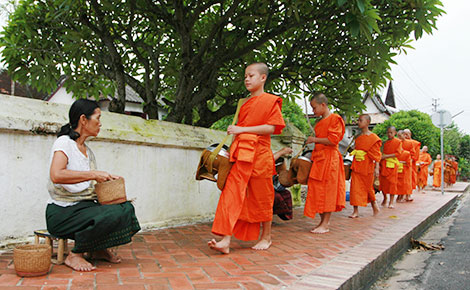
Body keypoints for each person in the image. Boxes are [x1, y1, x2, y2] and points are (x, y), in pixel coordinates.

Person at [47, 99, 141, 272]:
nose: (100, 124)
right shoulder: (64, 142)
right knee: (110, 214)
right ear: (83, 120)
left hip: (85, 209)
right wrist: (94, 174)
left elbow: (88, 185)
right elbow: (56, 175)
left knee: (125, 208)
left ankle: (97, 249)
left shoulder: (87, 151)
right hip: (63, 213)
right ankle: (75, 254)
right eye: (97, 118)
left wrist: (107, 179)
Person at [208, 62, 286, 254]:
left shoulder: (271, 101)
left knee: (262, 197)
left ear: (263, 78)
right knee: (231, 195)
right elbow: (238, 131)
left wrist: (243, 129)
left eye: (251, 76)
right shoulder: (244, 103)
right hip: (240, 155)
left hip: (259, 155)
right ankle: (226, 240)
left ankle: (266, 236)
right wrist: (231, 149)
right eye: (245, 77)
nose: (247, 79)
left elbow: (271, 128)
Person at [304, 93, 345, 233]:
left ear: (323, 105)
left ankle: (326, 223)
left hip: (330, 159)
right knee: (316, 189)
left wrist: (314, 140)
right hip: (319, 159)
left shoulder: (335, 119)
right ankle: (322, 222)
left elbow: (333, 140)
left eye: (314, 108)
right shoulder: (319, 123)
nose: (313, 111)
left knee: (328, 190)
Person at [348, 114, 382, 218]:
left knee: (368, 188)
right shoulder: (358, 137)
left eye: (360, 120)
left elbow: (376, 155)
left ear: (367, 122)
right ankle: (355, 211)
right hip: (357, 165)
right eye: (358, 120)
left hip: (367, 166)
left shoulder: (373, 138)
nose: (358, 122)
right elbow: (355, 149)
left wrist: (377, 168)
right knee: (354, 188)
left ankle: (374, 206)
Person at [379, 126, 403, 209]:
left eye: (391, 133)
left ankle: (391, 201)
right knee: (383, 183)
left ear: (395, 133)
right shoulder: (384, 143)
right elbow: (380, 153)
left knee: (392, 183)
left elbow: (398, 154)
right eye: (388, 133)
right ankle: (385, 197)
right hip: (384, 165)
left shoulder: (398, 142)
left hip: (392, 165)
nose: (389, 134)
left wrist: (385, 156)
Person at [272, 147, 294, 220]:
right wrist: (282, 152)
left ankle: (285, 215)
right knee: (276, 197)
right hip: (258, 184)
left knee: (286, 193)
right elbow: (265, 161)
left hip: (271, 184)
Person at [403, 129, 421, 193]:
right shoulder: (400, 142)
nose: (405, 136)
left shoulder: (415, 143)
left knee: (409, 179)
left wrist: (408, 160)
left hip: (410, 164)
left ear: (410, 134)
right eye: (404, 134)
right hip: (400, 164)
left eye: (407, 134)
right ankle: (402, 195)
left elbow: (416, 156)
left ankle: (408, 194)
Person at [397, 130, 412, 202]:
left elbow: (413, 154)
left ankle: (406, 195)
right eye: (398, 136)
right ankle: (399, 195)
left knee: (406, 182)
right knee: (398, 182)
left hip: (406, 165)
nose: (399, 137)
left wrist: (406, 157)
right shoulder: (396, 142)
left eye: (400, 136)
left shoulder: (410, 143)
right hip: (397, 165)